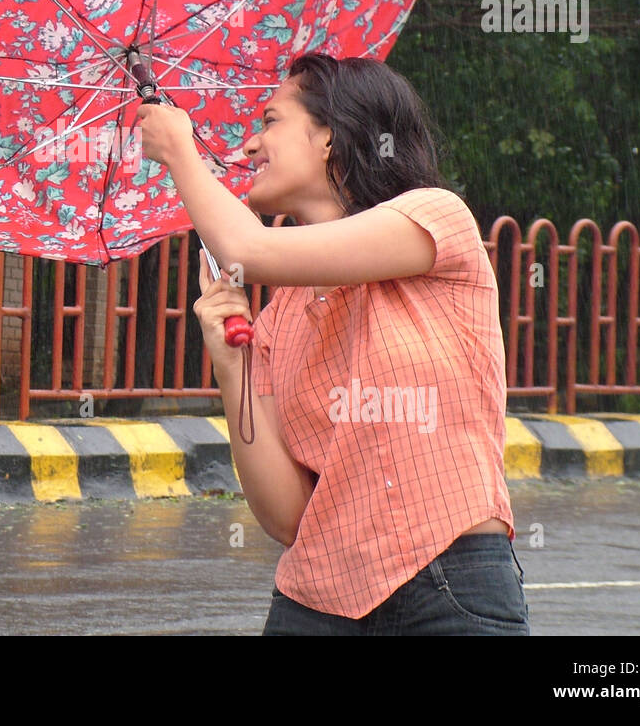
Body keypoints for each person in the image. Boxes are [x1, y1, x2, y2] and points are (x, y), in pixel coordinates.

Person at [135, 52, 529, 635]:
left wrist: (179, 151)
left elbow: (250, 252)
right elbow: (288, 517)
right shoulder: (276, 320)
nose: (249, 146)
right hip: (314, 605)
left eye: (269, 121)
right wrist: (232, 362)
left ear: (328, 137)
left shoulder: (435, 222)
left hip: (449, 587)